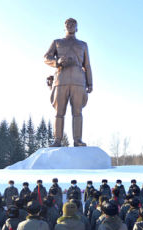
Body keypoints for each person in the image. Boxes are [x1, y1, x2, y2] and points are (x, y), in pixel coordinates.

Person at [44, 18, 93, 147]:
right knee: (59, 112)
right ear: (64, 27)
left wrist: (90, 83)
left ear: (77, 28)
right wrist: (57, 62)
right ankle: (57, 140)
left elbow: (87, 65)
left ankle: (77, 140)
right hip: (61, 80)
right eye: (68, 24)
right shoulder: (57, 42)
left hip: (78, 81)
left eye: (73, 24)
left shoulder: (83, 45)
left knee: (77, 112)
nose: (70, 26)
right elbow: (46, 57)